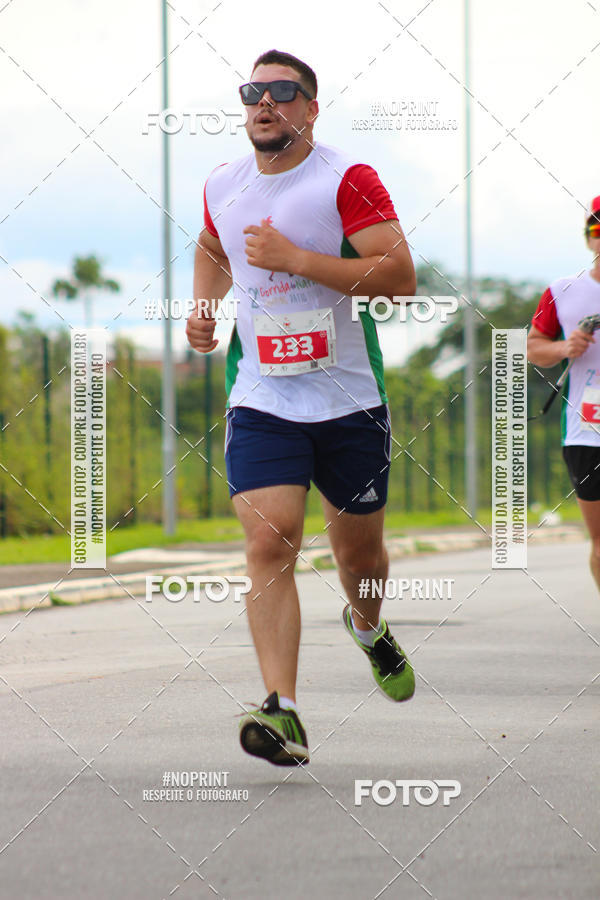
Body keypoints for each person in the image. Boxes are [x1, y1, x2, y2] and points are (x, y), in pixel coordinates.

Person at [186, 49, 417, 766]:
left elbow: (399, 278)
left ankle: (370, 628)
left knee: (360, 558)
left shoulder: (347, 179)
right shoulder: (223, 184)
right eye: (253, 91)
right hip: (264, 396)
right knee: (269, 539)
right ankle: (281, 710)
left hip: (349, 400)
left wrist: (298, 260)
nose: (265, 103)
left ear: (311, 109)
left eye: (283, 92)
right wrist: (203, 309)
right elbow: (213, 247)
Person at [527, 195, 600, 590]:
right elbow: (533, 347)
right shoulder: (563, 291)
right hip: (586, 429)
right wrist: (564, 348)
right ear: (589, 239)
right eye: (597, 229)